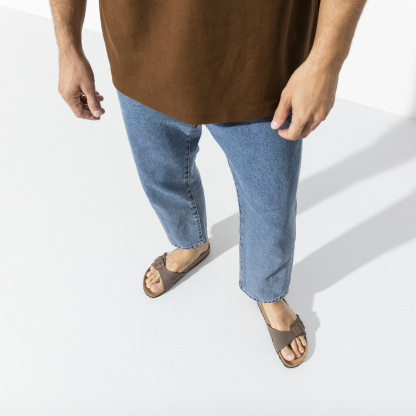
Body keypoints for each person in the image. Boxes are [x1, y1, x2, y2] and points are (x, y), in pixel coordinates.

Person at [49, 0, 367, 368]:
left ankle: (267, 290)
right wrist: (68, 46)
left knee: (271, 204)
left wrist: (326, 61)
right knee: (160, 174)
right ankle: (189, 242)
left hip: (261, 58)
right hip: (139, 48)